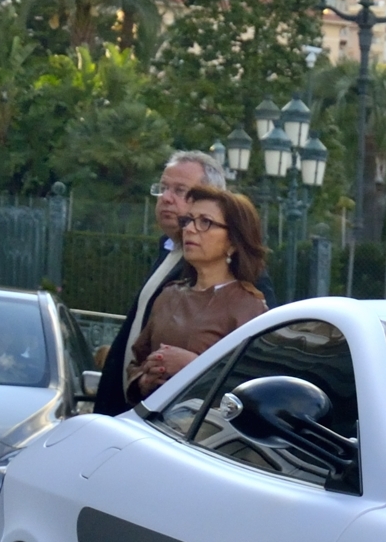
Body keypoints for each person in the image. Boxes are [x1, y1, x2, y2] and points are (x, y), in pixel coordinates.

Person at [93, 149, 221, 415]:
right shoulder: (167, 251)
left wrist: (197, 367)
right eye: (163, 188)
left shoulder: (223, 271)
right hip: (128, 409)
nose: (166, 198)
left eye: (180, 190)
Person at [124, 186, 269, 400]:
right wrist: (144, 381)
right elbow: (136, 362)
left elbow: (252, 389)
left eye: (205, 222)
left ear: (233, 242)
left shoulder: (250, 307)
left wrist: (192, 366)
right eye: (188, 220)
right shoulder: (169, 294)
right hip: (150, 422)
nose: (189, 229)